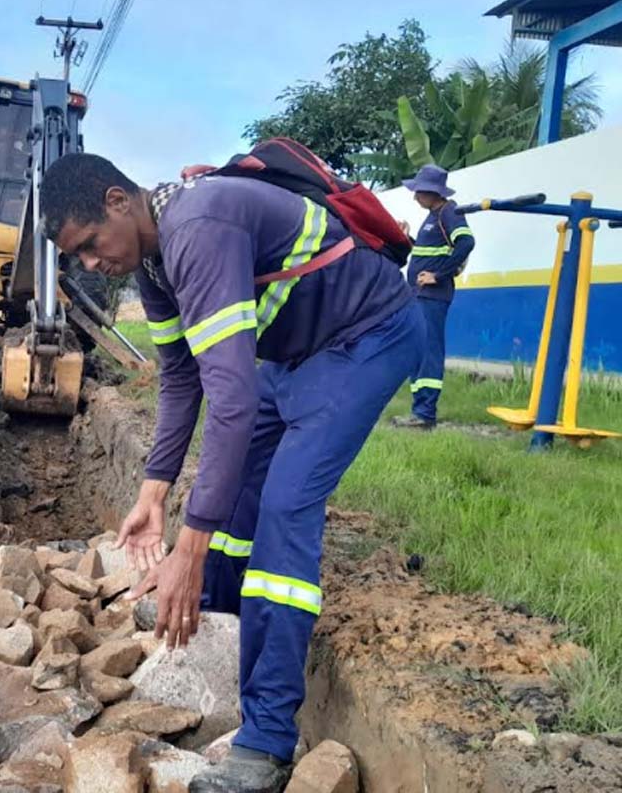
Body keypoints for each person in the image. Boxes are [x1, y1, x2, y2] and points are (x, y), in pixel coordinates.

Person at [39, 153, 424, 793]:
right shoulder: (155, 262)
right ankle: (210, 616)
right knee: (238, 489)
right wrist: (152, 493)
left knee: (284, 507)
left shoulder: (199, 225)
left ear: (117, 202)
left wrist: (187, 550)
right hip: (299, 353)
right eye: (77, 258)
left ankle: (267, 739)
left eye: (89, 245)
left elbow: (234, 403)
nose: (91, 264)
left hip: (366, 338)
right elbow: (181, 377)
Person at [394, 164, 475, 429]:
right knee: (418, 350)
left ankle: (425, 414)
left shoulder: (448, 212)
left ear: (432, 192)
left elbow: (466, 243)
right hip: (419, 295)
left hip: (433, 296)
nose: (415, 197)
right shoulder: (433, 216)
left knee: (428, 351)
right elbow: (430, 251)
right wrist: (407, 238)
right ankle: (419, 410)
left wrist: (438, 276)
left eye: (419, 192)